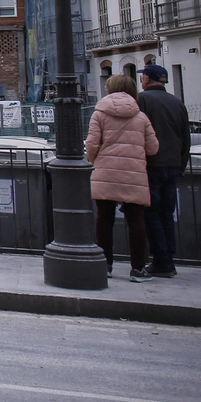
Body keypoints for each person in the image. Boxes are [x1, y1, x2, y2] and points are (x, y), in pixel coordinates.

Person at [87, 73, 159, 282]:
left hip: (106, 171)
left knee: (104, 219)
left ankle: (105, 264)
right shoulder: (141, 116)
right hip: (134, 173)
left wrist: (96, 161)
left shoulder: (99, 114)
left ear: (109, 89)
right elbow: (153, 148)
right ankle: (137, 268)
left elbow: (91, 144)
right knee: (136, 221)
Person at [138, 63, 191, 277]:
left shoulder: (142, 100)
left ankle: (160, 260)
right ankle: (169, 258)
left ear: (148, 79)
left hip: (151, 165)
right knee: (167, 214)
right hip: (172, 165)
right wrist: (181, 164)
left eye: (143, 77)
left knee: (151, 214)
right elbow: (185, 138)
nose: (141, 80)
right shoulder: (177, 103)